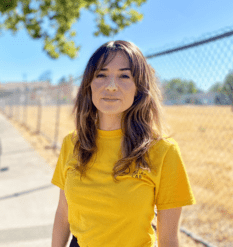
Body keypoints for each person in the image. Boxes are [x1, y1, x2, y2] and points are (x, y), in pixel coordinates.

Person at [51, 40, 196, 247]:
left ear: (139, 88)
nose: (111, 86)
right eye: (101, 75)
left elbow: (168, 238)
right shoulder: (72, 144)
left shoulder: (163, 151)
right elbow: (63, 212)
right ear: (89, 85)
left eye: (124, 76)